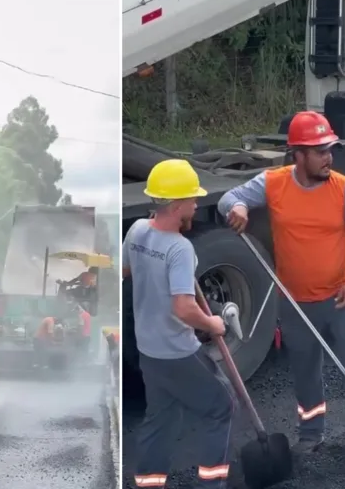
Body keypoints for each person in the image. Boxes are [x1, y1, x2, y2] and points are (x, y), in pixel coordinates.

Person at [216, 110, 345, 455]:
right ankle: (311, 433)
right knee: (305, 370)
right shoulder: (273, 182)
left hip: (343, 297)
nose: (329, 158)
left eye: (330, 150)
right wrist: (240, 209)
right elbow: (226, 200)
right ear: (298, 155)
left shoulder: (344, 189)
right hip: (295, 303)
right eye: (320, 151)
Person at [124, 159, 235, 488]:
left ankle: (149, 483)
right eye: (191, 200)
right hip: (177, 352)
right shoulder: (180, 248)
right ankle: (211, 484)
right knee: (220, 407)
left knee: (161, 419)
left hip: (149, 351)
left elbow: (125, 270)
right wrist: (213, 324)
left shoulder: (138, 230)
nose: (197, 205)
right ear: (174, 205)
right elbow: (185, 309)